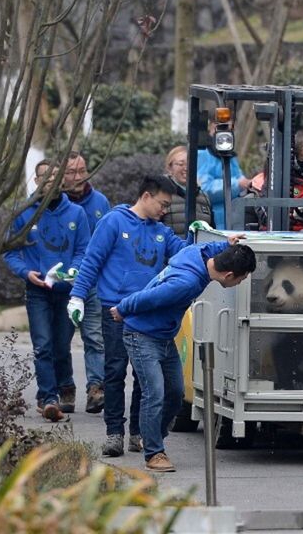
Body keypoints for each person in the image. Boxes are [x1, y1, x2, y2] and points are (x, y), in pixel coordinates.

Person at [67, 175, 191, 457]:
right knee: (114, 372)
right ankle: (114, 433)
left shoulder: (161, 231)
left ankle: (138, 432)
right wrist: (77, 296)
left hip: (146, 312)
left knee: (143, 377)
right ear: (146, 196)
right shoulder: (114, 221)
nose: (164, 210)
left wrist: (200, 235)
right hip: (114, 311)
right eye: (162, 203)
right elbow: (92, 260)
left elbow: (184, 252)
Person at [113, 241, 256, 472]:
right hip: (141, 335)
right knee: (154, 393)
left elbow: (207, 246)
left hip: (164, 337)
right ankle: (154, 453)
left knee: (176, 393)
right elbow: (149, 297)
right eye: (241, 279)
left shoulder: (195, 254)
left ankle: (151, 436)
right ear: (229, 275)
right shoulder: (187, 284)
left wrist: (226, 244)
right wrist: (122, 308)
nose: (240, 282)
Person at [5, 160, 90, 422]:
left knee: (61, 345)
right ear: (36, 180)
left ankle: (66, 387)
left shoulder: (76, 214)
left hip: (65, 290)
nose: (51, 181)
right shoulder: (24, 212)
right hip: (37, 289)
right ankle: (48, 396)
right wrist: (25, 272)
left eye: (56, 176)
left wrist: (74, 271)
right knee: (43, 345)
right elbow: (10, 252)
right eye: (45, 177)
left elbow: (82, 250)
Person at [63, 154, 110, 414]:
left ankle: (96, 388)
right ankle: (65, 388)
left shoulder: (100, 202)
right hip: (60, 283)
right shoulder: (52, 204)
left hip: (92, 282)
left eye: (82, 170)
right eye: (72, 172)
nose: (79, 177)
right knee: (62, 340)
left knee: (94, 337)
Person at [198, 122, 250, 229]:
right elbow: (204, 189)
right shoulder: (203, 153)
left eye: (231, 128)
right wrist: (237, 184)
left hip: (232, 218)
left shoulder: (230, 155)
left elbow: (239, 177)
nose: (228, 132)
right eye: (224, 127)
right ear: (212, 126)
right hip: (212, 220)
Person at [162, 145, 214, 237]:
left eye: (190, 164)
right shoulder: (161, 194)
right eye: (181, 164)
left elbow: (213, 231)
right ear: (170, 168)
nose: (186, 168)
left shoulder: (204, 197)